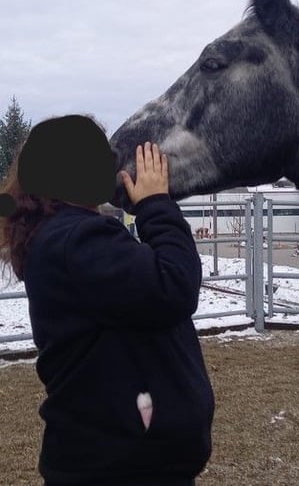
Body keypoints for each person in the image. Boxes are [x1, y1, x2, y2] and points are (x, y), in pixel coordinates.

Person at [0, 115, 214, 486]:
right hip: (123, 467)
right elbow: (174, 284)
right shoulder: (76, 240)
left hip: (117, 459)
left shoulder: (63, 236)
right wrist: (156, 205)